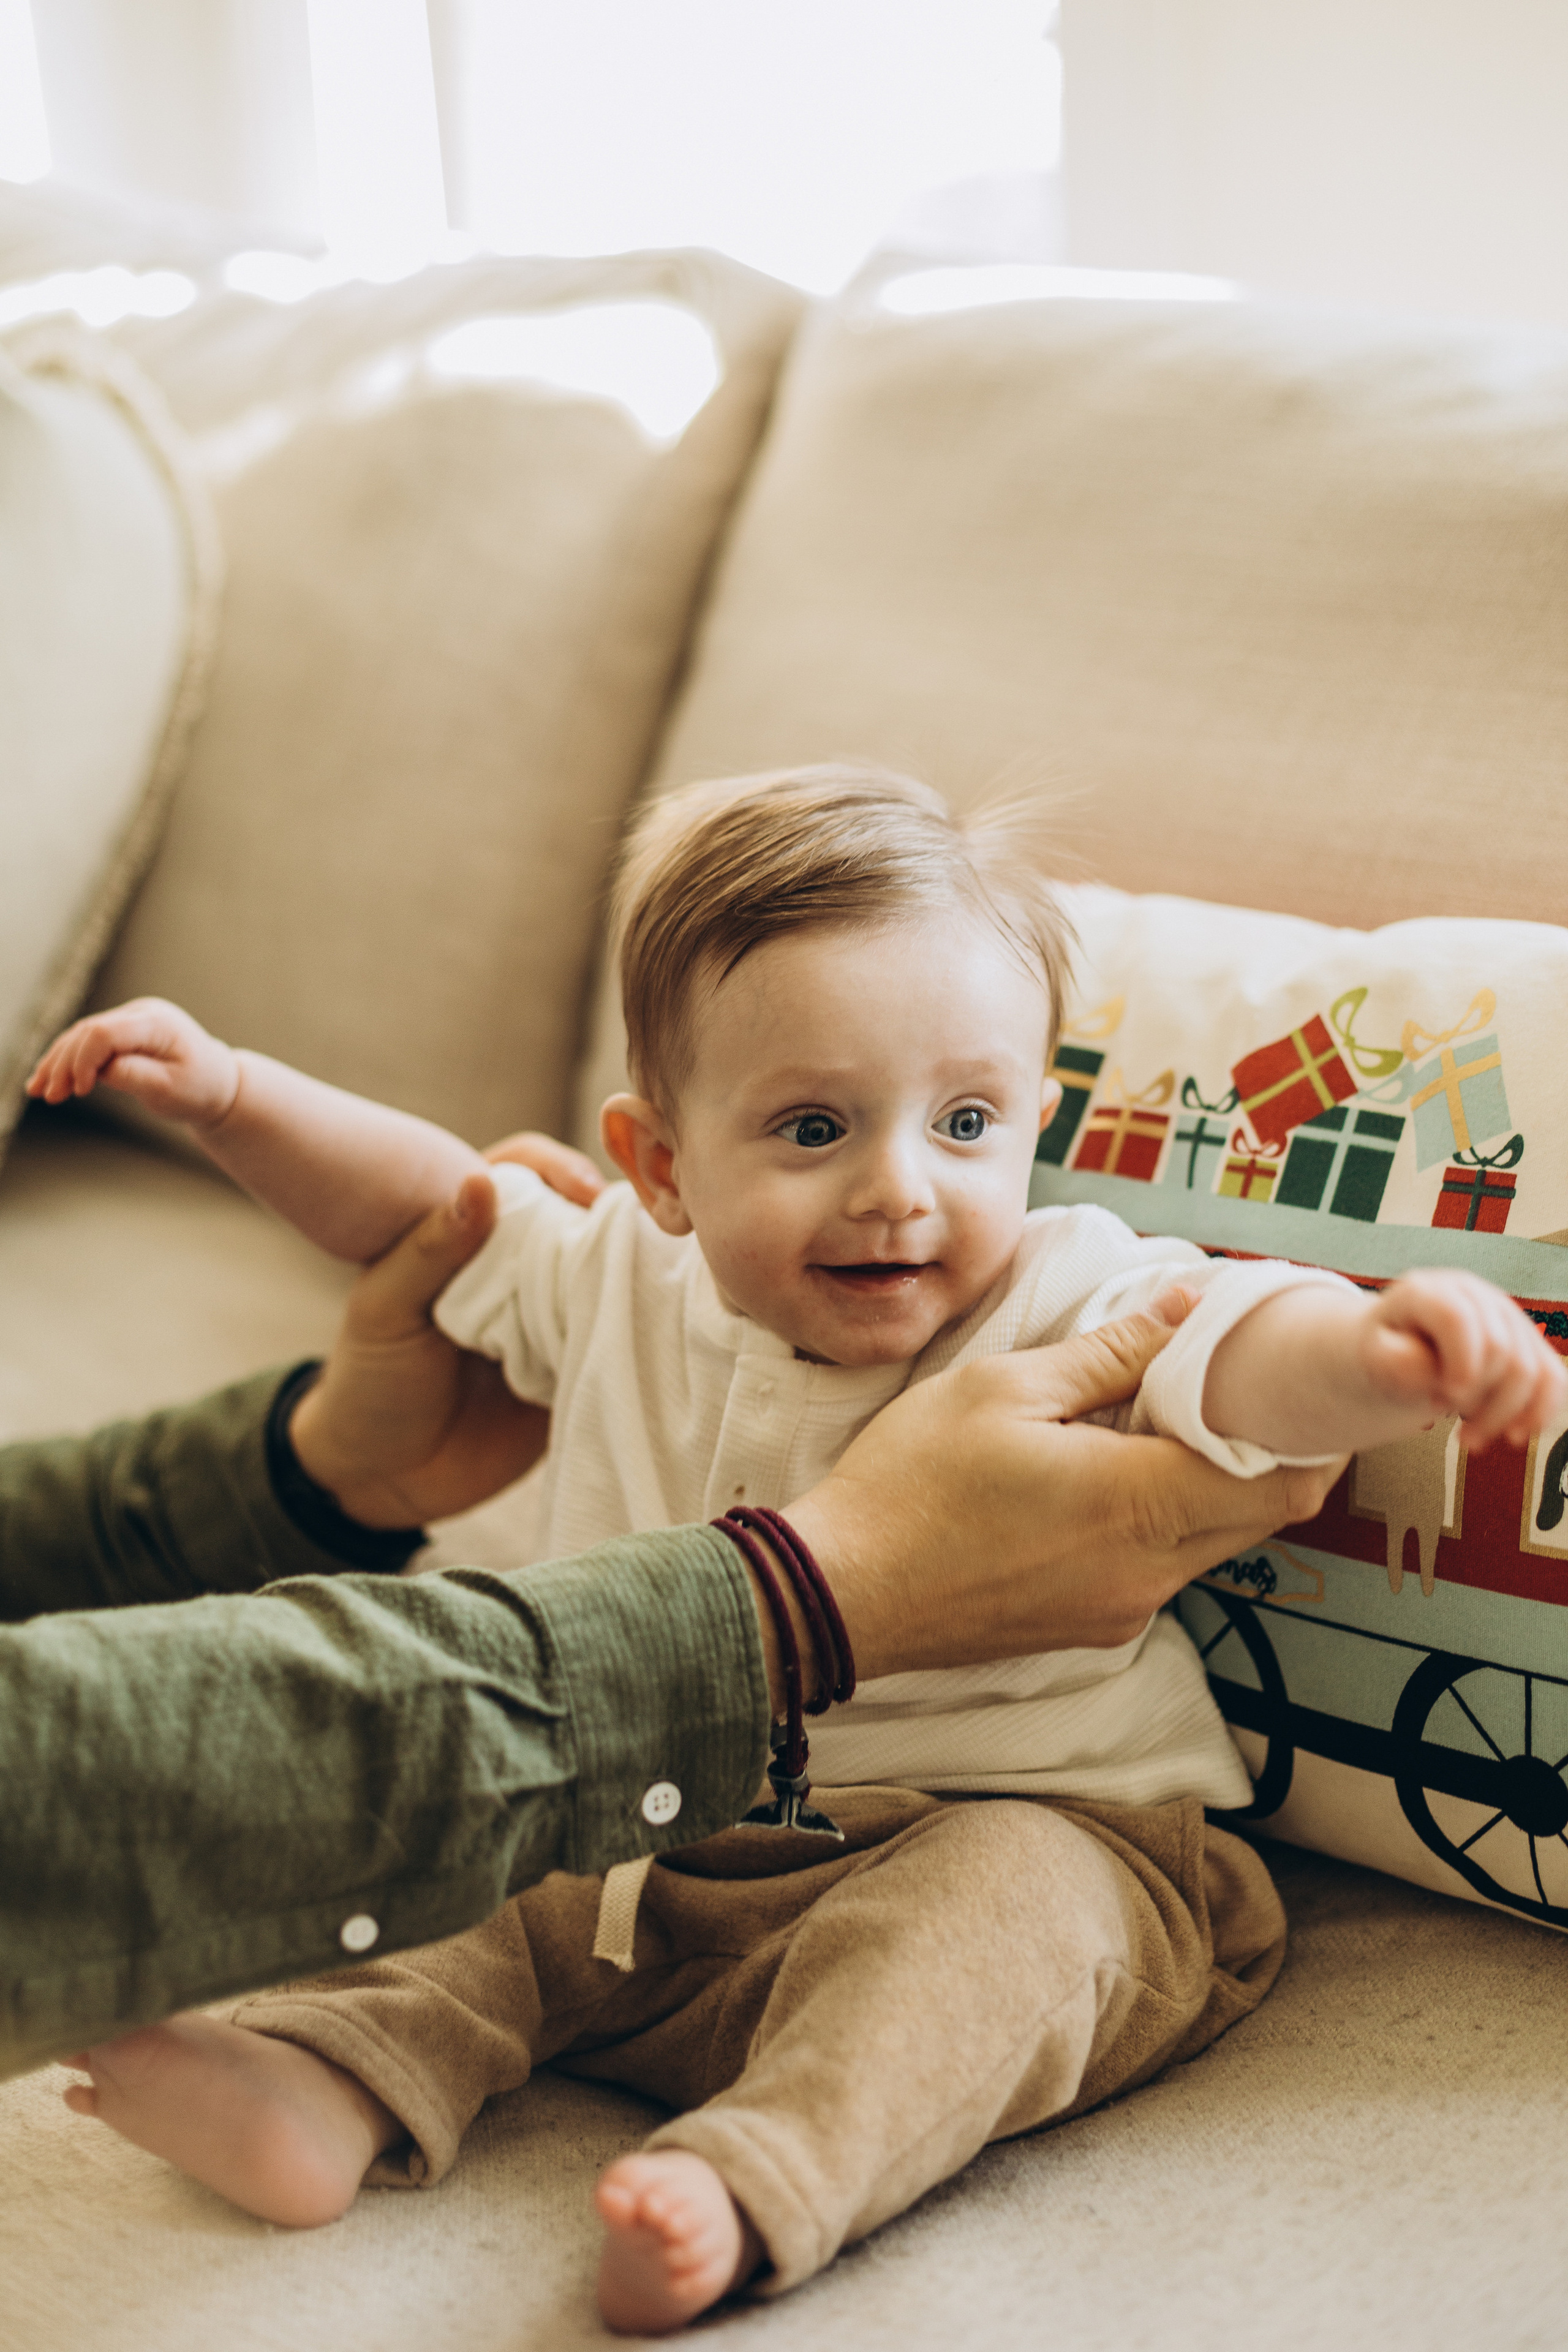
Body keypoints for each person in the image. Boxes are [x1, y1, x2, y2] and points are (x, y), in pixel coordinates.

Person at [30, 767, 1564, 2332]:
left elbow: (1226, 1353)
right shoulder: (616, 1277)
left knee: (997, 1930)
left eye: (965, 1121)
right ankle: (320, 2084)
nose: (899, 1186)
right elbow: (426, 1210)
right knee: (471, 1840)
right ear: (662, 1169)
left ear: (1028, 1122)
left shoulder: (1057, 1291)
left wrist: (1377, 1350)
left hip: (1017, 1823)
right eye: (814, 1126)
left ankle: (757, 2177)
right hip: (635, 1841)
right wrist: (232, 1096)